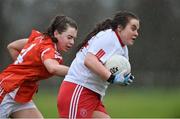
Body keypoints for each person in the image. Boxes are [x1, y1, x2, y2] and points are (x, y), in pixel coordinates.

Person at [57, 11, 140, 118]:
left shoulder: (123, 48)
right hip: (79, 90)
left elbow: (113, 72)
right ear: (119, 28)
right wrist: (111, 78)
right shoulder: (109, 37)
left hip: (93, 94)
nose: (136, 33)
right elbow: (90, 61)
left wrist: (124, 79)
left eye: (137, 30)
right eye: (133, 28)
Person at [0, 15, 78, 118]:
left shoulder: (39, 39)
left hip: (20, 97)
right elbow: (53, 68)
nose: (72, 42)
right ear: (56, 33)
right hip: (6, 91)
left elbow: (12, 46)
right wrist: (79, 71)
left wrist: (26, 69)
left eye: (74, 38)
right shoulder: (48, 48)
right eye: (69, 37)